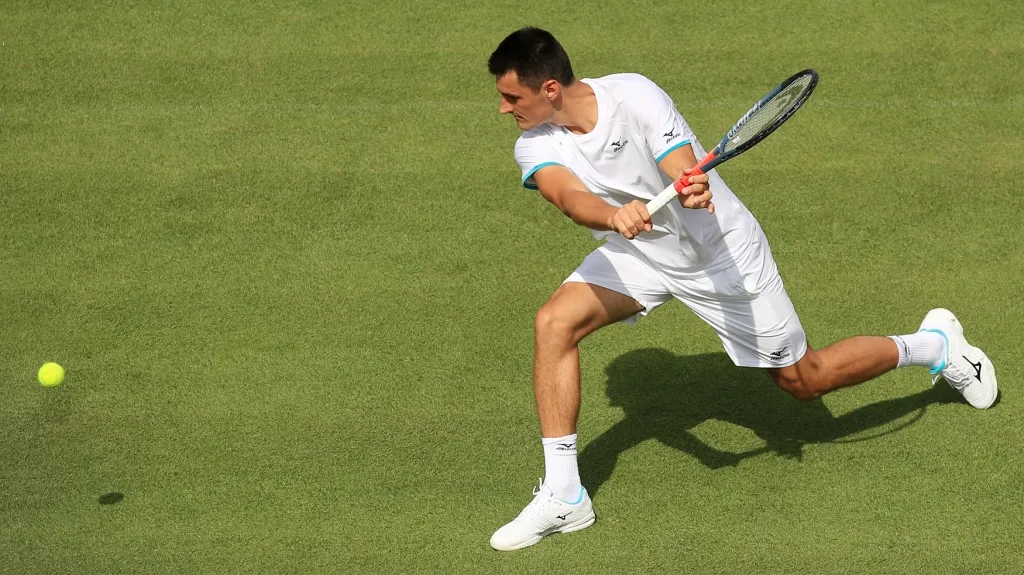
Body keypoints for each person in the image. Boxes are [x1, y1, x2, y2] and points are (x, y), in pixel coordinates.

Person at [485, 26, 998, 552]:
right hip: (642, 254)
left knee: (805, 381)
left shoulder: (634, 94)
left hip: (722, 260)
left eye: (511, 97)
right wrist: (613, 215)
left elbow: (679, 163)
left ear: (549, 89)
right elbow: (568, 196)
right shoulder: (534, 144)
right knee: (554, 323)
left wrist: (691, 185)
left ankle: (935, 344)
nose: (504, 110)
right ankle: (566, 495)